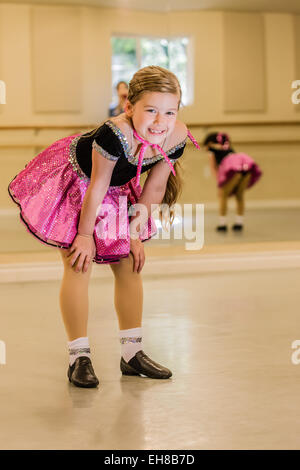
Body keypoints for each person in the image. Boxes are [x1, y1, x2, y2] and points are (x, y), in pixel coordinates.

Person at [8, 65, 201, 389]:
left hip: (115, 188)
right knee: (78, 264)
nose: (160, 121)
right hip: (75, 183)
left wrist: (135, 235)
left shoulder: (176, 135)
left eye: (169, 112)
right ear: (129, 107)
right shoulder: (114, 134)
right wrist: (84, 236)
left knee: (129, 264)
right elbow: (96, 187)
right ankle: (78, 357)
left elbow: (154, 188)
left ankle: (132, 353)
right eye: (150, 110)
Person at [203, 132, 262, 232]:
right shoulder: (228, 148)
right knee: (239, 195)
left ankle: (222, 224)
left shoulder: (211, 150)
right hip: (246, 168)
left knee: (222, 195)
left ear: (209, 142)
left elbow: (214, 168)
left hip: (233, 171)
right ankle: (239, 223)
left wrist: (220, 183)